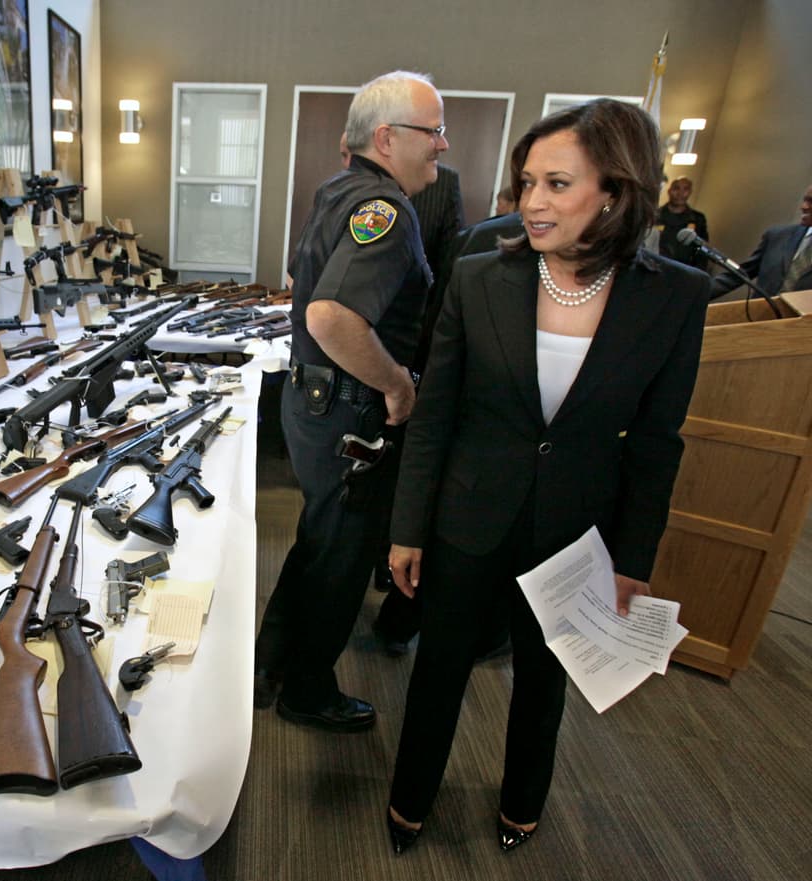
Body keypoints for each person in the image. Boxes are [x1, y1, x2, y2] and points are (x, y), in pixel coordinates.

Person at [382, 99, 709, 853]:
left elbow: (657, 442)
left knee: (543, 679)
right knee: (438, 671)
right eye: (527, 182)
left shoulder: (675, 296)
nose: (532, 201)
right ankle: (408, 802)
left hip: (577, 525)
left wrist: (634, 558)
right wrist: (407, 528)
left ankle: (521, 805)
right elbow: (434, 418)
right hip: (468, 515)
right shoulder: (478, 276)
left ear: (615, 192)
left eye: (557, 184)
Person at [253, 70, 446, 732]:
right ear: (388, 138)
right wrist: (397, 383)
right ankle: (307, 690)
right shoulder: (386, 211)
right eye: (434, 131)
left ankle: (271, 661)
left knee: (320, 539)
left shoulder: (339, 190)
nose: (442, 144)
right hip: (351, 410)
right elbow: (331, 316)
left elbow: (304, 283)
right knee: (341, 557)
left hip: (314, 399)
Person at [371, 161, 463, 650]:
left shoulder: (440, 186)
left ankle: (389, 564)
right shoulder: (362, 195)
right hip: (403, 357)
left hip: (413, 353)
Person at [710, 183, 812, 298]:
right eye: (805, 200)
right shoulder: (778, 236)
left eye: (811, 202)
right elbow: (741, 274)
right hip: (759, 309)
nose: (804, 206)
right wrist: (699, 292)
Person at [655, 177, 709, 269]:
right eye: (676, 188)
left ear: (690, 192)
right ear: (669, 191)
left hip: (682, 270)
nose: (680, 193)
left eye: (685, 189)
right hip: (654, 266)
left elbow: (702, 251)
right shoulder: (655, 215)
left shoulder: (697, 219)